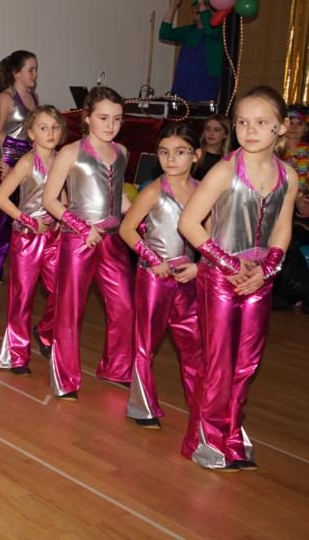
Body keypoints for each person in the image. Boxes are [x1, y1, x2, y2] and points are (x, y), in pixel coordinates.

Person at [179, 86, 297, 471]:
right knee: (219, 361)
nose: (250, 130)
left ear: (281, 127)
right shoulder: (226, 170)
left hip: (259, 280)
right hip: (219, 278)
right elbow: (189, 223)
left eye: (261, 122)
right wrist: (229, 265)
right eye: (243, 122)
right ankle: (208, 441)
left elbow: (282, 228)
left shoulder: (288, 176)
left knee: (247, 364)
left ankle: (232, 436)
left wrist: (268, 269)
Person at [42, 86, 134, 400]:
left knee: (124, 306)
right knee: (70, 309)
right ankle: (65, 377)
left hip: (113, 241)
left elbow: (118, 195)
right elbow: (50, 200)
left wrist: (138, 219)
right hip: (78, 240)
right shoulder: (71, 152)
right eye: (103, 118)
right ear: (87, 118)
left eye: (117, 119)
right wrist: (81, 227)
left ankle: (116, 368)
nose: (111, 125)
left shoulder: (122, 152)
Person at [120, 123, 202, 437]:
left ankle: (203, 406)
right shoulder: (154, 190)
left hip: (187, 279)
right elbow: (128, 229)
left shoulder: (202, 191)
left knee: (194, 345)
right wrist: (154, 261)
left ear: (195, 155)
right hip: (154, 278)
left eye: (180, 152)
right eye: (164, 152)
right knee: (146, 342)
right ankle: (141, 406)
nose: (171, 159)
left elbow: (210, 237)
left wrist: (199, 267)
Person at [0, 105, 64, 374]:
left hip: (54, 237)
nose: (50, 133)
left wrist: (62, 220)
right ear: (31, 134)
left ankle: (45, 330)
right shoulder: (27, 162)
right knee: (22, 297)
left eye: (55, 127)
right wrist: (29, 221)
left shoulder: (62, 160)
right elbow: (1, 198)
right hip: (27, 238)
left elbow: (62, 196)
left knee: (61, 290)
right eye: (44, 128)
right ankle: (17, 355)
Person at [0, 50, 40, 279]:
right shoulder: (6, 98)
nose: (35, 74)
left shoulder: (34, 97)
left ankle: (23, 264)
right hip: (8, 160)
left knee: (25, 212)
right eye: (31, 69)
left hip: (28, 161)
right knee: (3, 218)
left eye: (36, 69)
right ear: (16, 73)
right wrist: (12, 149)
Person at [161, 0, 223, 102]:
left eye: (200, 5)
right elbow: (165, 33)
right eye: (194, 6)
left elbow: (210, 30)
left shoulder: (219, 30)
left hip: (204, 90)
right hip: (181, 89)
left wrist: (201, 0)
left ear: (212, 11)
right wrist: (173, 5)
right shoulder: (189, 31)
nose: (196, 8)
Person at [192, 114, 230, 181]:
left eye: (217, 130)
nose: (211, 133)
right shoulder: (194, 154)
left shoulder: (230, 159)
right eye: (207, 129)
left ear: (225, 134)